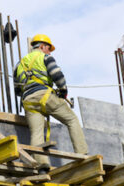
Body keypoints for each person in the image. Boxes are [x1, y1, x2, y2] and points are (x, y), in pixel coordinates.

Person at [13, 34, 88, 174]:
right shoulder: (45, 57)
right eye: (48, 48)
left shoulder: (19, 64)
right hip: (45, 96)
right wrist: (63, 90)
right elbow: (57, 74)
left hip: (28, 101)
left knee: (36, 133)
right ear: (41, 46)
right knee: (72, 119)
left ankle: (42, 166)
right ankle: (82, 155)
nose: (49, 52)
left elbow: (17, 90)